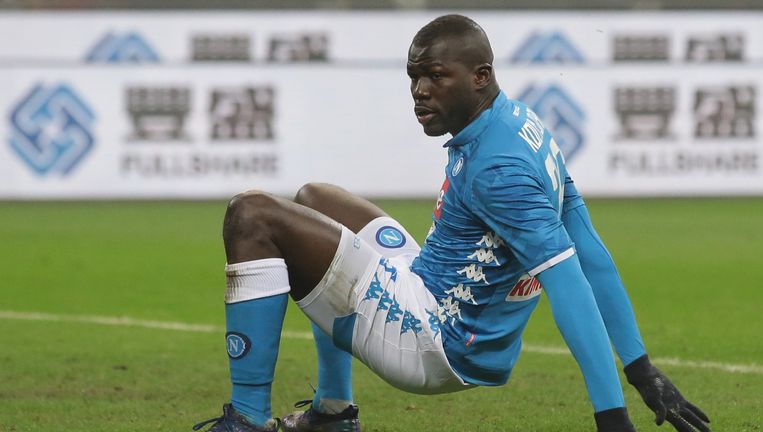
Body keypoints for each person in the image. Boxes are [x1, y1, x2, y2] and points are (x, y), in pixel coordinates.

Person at [193, 14, 711, 432]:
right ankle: (334, 413)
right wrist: (641, 369)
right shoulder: (521, 124)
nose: (419, 90)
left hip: (431, 338)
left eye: (436, 76)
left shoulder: (497, 171)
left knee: (252, 214)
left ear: (480, 77)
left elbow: (570, 280)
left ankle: (247, 419)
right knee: (315, 200)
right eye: (415, 76)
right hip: (438, 298)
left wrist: (612, 417)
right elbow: (590, 246)